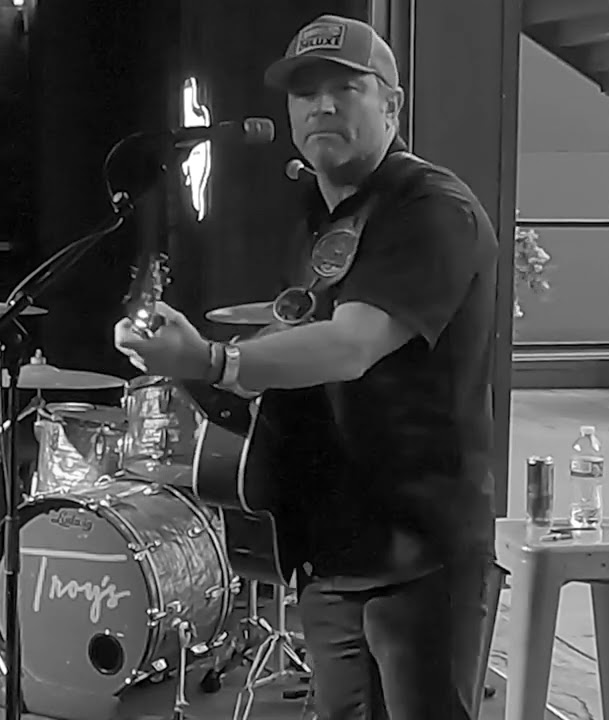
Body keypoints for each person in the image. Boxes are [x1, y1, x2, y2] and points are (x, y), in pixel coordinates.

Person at [114, 15, 499, 720]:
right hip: (332, 552)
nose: (322, 105)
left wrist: (214, 358)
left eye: (345, 88)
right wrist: (185, 364)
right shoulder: (315, 217)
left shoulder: (431, 209)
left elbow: (351, 345)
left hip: (419, 558)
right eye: (305, 92)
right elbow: (297, 361)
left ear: (392, 104)